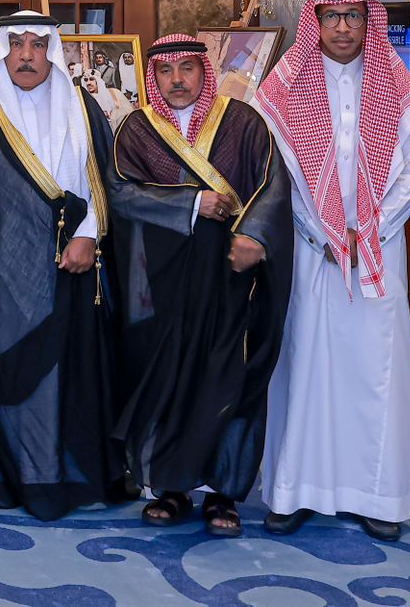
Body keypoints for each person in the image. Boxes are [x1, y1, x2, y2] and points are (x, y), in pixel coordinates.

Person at [256, 0, 410, 542]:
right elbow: (275, 175)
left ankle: (378, 496)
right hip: (312, 252)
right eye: (331, 17)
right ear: (315, 22)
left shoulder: (396, 83)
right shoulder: (285, 87)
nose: (343, 28)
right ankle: (295, 490)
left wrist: (368, 233)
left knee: (376, 370)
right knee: (306, 363)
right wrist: (323, 232)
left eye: (354, 16)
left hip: (378, 252)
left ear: (368, 20)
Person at [109, 34, 293, 538]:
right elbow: (120, 194)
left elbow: (274, 186)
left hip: (231, 282)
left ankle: (222, 493)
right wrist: (192, 203)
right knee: (168, 381)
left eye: (187, 69)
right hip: (163, 284)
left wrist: (255, 235)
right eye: (165, 71)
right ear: (153, 77)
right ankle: (171, 487)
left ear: (204, 72)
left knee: (227, 380)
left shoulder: (243, 123)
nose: (177, 81)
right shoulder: (137, 130)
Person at [0, 11, 125, 521]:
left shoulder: (82, 108)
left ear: (52, 52)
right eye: (17, 44)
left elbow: (106, 179)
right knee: (9, 372)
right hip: (2, 276)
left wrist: (89, 235)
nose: (27, 55)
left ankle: (70, 479)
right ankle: (16, 480)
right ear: (1, 52)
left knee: (73, 374)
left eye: (37, 45)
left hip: (77, 268)